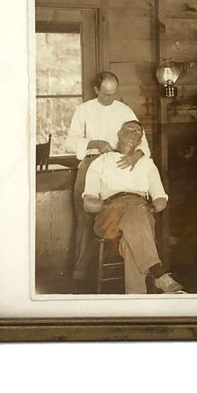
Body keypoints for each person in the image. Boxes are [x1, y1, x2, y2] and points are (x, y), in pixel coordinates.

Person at [66, 71, 151, 286]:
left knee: (123, 212)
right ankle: (80, 273)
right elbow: (70, 142)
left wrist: (136, 155)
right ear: (96, 90)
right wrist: (93, 143)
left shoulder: (124, 111)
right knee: (85, 218)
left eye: (114, 94)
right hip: (90, 163)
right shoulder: (84, 110)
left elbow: (143, 143)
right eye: (105, 94)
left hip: (117, 166)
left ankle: (137, 270)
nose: (110, 98)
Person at [82, 120, 184, 294]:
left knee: (132, 234)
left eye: (138, 132)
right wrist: (108, 204)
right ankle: (157, 272)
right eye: (129, 129)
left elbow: (161, 199)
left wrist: (151, 208)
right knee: (136, 220)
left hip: (140, 213)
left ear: (140, 142)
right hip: (109, 216)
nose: (134, 133)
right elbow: (88, 204)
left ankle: (137, 298)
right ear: (119, 134)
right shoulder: (101, 162)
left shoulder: (147, 164)